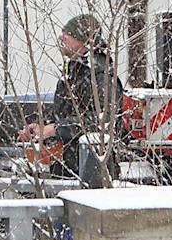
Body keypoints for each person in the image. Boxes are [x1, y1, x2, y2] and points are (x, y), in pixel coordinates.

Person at [18, 14, 124, 176]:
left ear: (84, 41)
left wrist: (55, 129)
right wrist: (40, 127)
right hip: (67, 167)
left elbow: (102, 121)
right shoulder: (73, 73)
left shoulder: (101, 76)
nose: (61, 37)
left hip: (92, 170)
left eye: (68, 34)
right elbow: (65, 113)